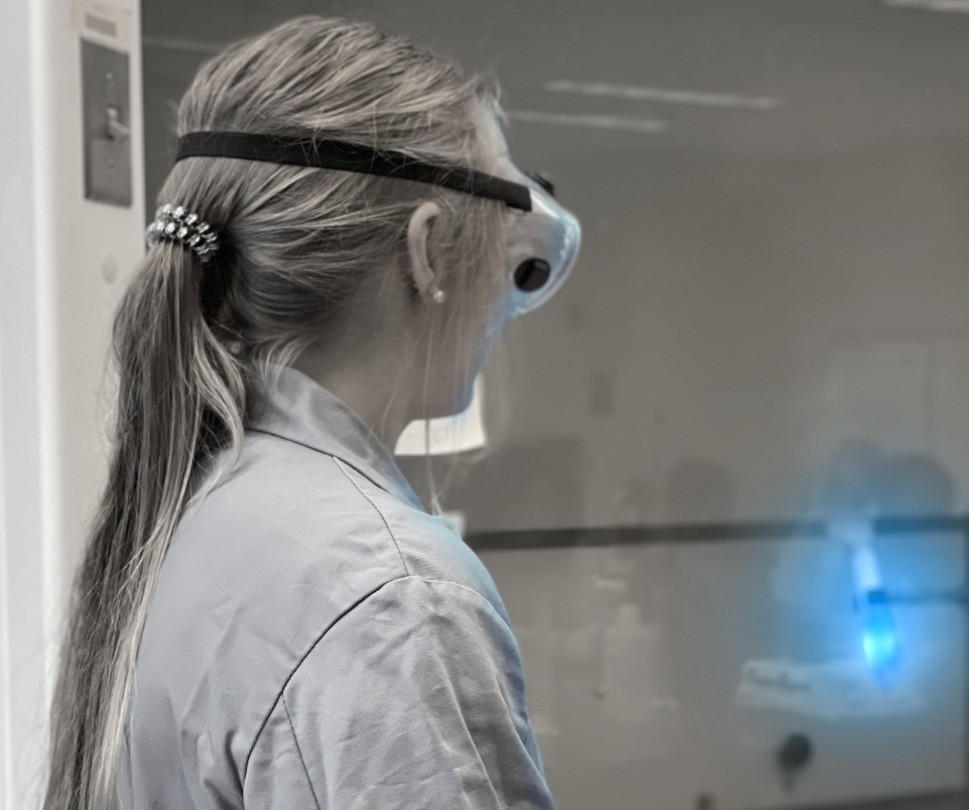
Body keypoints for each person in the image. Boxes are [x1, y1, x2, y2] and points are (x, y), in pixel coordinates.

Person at [44, 16, 578, 809]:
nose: (511, 284)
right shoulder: (392, 594)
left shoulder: (198, 507)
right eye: (507, 235)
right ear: (427, 248)